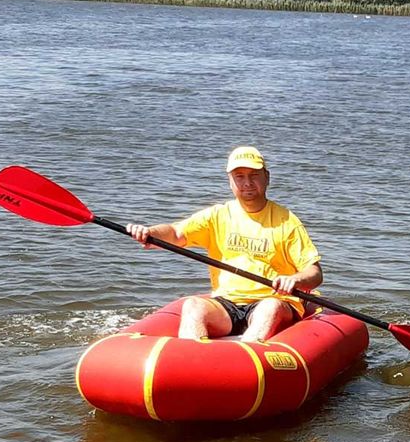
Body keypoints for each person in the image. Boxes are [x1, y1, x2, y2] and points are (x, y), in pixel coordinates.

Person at [126, 146, 323, 342]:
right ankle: (192, 362)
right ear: (230, 181)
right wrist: (150, 232)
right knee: (192, 306)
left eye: (254, 175)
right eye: (239, 176)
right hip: (227, 304)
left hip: (272, 302)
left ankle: (246, 361)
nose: (247, 183)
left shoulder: (287, 221)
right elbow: (176, 233)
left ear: (267, 177)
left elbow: (314, 273)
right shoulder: (217, 215)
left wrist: (295, 280)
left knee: (269, 308)